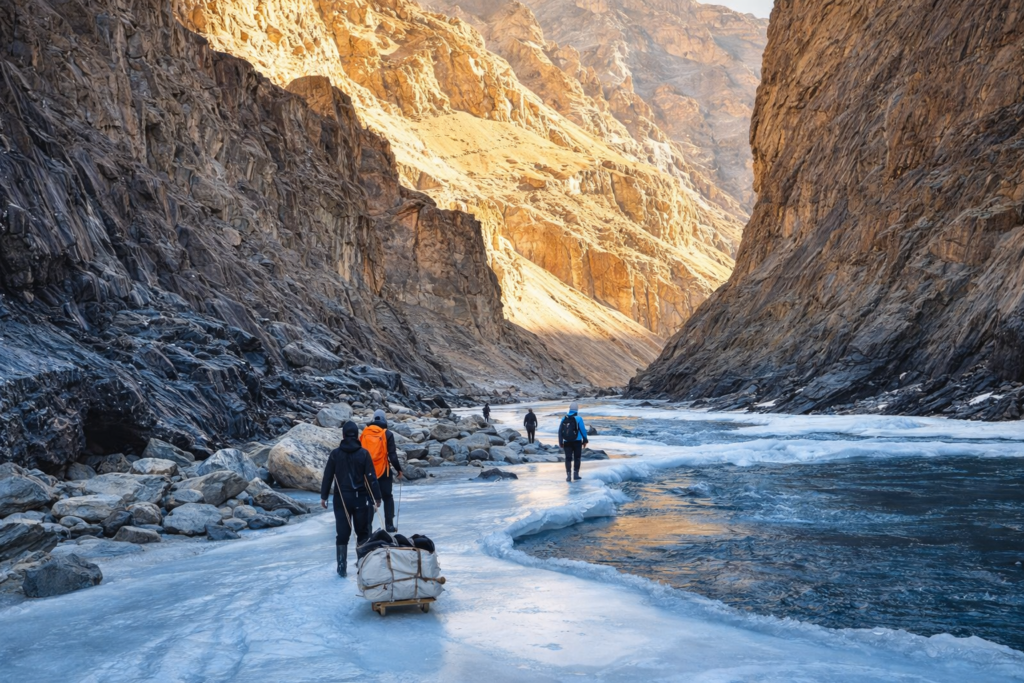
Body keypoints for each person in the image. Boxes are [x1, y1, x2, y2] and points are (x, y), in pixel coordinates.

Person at [320, 421, 382, 577]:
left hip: (342, 500)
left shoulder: (335, 454)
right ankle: (363, 566)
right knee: (363, 533)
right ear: (357, 436)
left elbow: (328, 476)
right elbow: (371, 478)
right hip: (361, 499)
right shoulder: (364, 454)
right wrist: (377, 497)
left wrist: (324, 496)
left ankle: (342, 568)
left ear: (343, 435)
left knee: (342, 534)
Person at [361, 409, 404, 533]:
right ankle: (389, 525)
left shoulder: (364, 432)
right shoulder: (387, 434)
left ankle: (367, 527)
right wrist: (398, 469)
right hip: (383, 471)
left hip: (368, 471)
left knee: (370, 499)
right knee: (387, 497)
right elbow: (392, 455)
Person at [558, 401, 588, 483]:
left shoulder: (564, 418)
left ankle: (568, 475)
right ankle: (575, 474)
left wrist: (560, 442)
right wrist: (585, 440)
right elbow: (583, 430)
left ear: (570, 409)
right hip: (577, 441)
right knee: (577, 458)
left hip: (567, 441)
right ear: (577, 409)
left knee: (568, 458)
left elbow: (560, 431)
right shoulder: (579, 418)